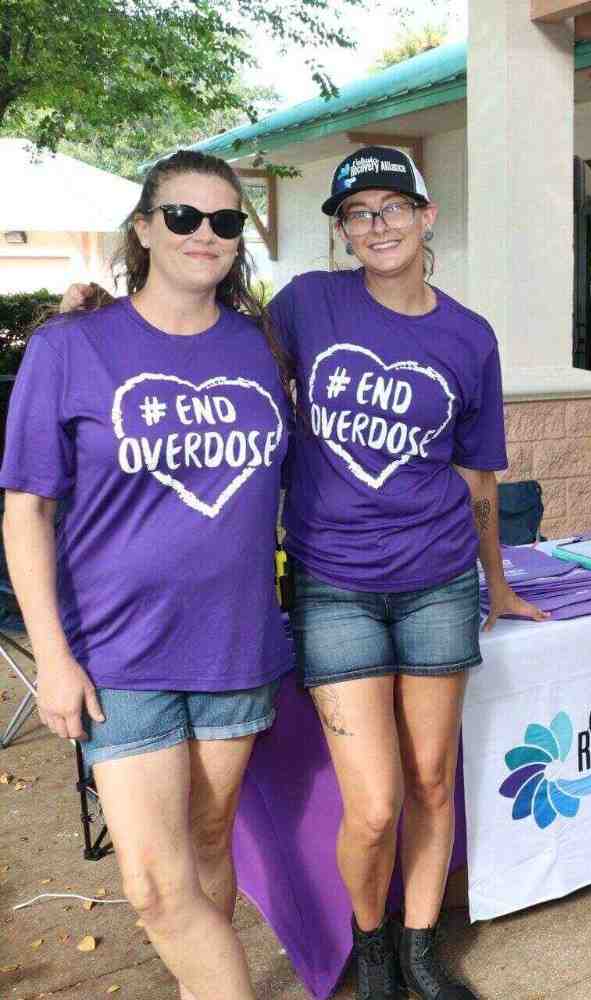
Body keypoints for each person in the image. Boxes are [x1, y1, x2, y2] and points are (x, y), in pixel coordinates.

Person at [2, 150, 292, 1000]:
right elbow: (26, 512)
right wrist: (51, 657)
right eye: (183, 217)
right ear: (143, 227)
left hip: (236, 642)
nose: (206, 234)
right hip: (116, 652)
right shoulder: (71, 347)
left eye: (227, 221)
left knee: (208, 848)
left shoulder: (263, 347)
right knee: (158, 891)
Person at [269, 147, 544, 1000]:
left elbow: (479, 477)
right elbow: (215, 352)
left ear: (428, 219)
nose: (376, 226)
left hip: (436, 581)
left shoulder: (468, 336)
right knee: (377, 801)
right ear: (343, 233)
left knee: (432, 778)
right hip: (334, 584)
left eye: (392, 208)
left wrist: (494, 582)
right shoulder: (306, 305)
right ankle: (371, 939)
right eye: (358, 214)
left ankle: (422, 948)